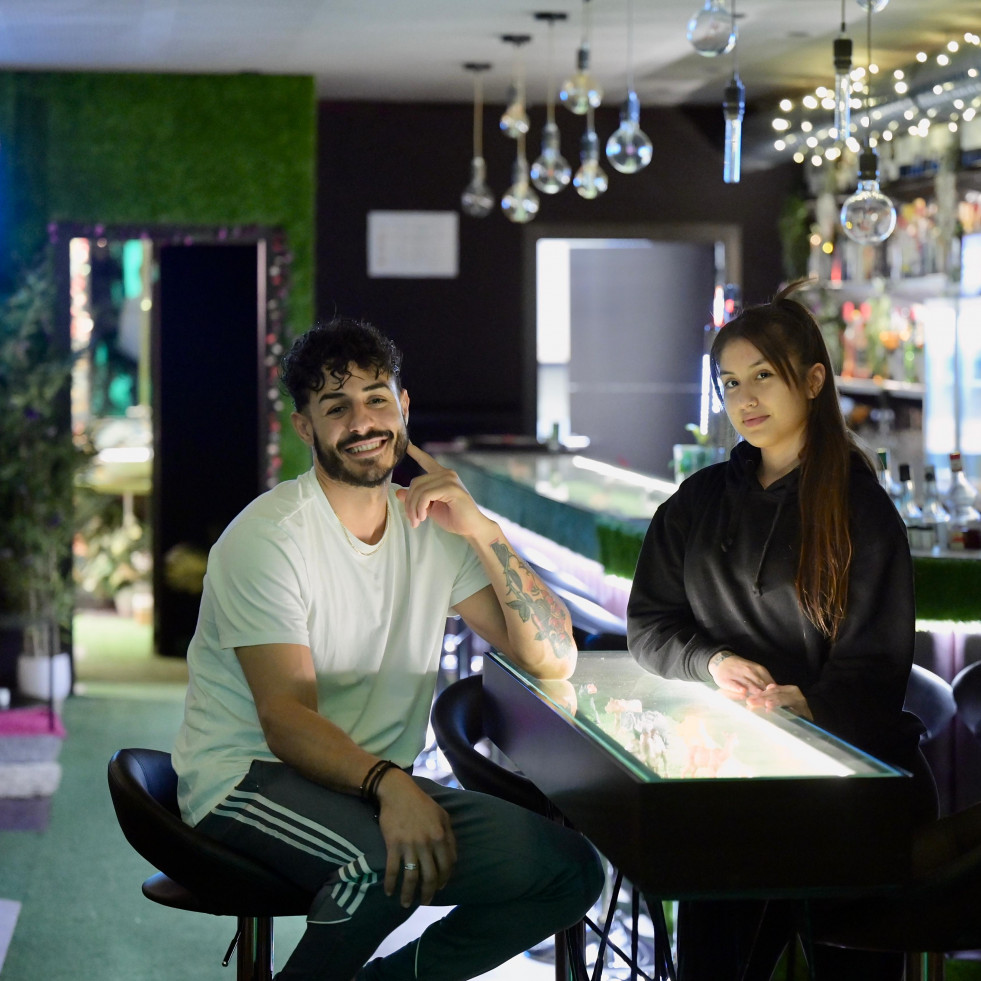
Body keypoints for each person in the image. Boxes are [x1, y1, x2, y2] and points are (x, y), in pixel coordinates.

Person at [172, 316, 604, 981]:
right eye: (335, 406)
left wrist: (484, 530)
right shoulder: (269, 537)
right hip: (247, 777)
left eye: (377, 397)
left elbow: (552, 657)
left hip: (370, 788)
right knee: (379, 863)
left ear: (403, 407)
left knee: (566, 870)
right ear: (305, 428)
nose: (362, 419)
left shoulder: (431, 527)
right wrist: (391, 783)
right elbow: (285, 718)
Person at [626, 282, 937, 981]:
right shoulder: (696, 501)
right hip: (730, 776)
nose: (745, 398)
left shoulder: (860, 510)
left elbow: (875, 671)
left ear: (812, 379)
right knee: (713, 954)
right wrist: (711, 661)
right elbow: (648, 625)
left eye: (762, 375)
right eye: (729, 382)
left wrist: (805, 703)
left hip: (849, 782)